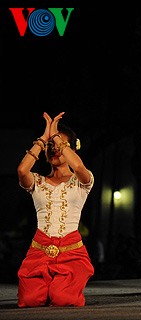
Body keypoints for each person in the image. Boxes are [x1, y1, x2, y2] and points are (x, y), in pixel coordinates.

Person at [17, 112, 95, 307]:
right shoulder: (38, 181)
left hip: (71, 252)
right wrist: (43, 139)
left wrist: (56, 137)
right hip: (39, 251)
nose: (55, 149)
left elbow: (77, 165)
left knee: (64, 299)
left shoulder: (82, 181)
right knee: (29, 300)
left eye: (59, 145)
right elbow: (21, 171)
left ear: (71, 148)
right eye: (50, 146)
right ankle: (48, 286)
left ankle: (60, 286)